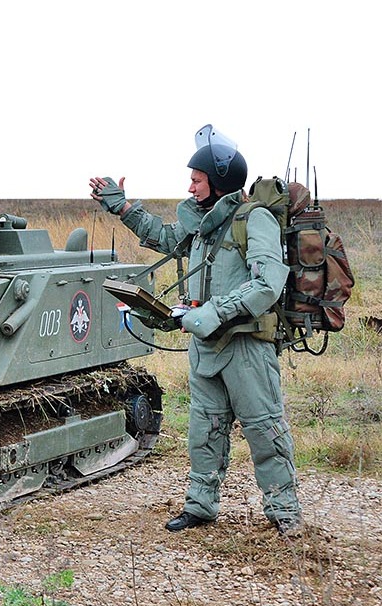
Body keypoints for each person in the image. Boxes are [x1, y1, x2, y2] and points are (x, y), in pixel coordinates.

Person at [89, 125, 302, 535]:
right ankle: (200, 506)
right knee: (204, 430)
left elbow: (266, 285)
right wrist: (122, 207)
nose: (189, 186)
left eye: (196, 179)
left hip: (246, 345)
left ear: (219, 180)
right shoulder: (203, 225)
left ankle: (284, 514)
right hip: (205, 347)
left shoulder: (253, 219)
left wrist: (213, 313)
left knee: (264, 430)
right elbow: (165, 237)